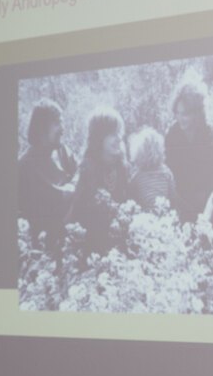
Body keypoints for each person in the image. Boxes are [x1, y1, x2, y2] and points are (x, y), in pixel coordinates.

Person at [66, 106, 129, 257]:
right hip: (91, 247)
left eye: (119, 132)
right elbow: (75, 211)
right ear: (99, 136)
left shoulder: (122, 166)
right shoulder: (87, 168)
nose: (119, 138)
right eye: (113, 134)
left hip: (119, 243)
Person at [17, 98, 77, 247]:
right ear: (42, 128)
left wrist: (73, 187)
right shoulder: (25, 166)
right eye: (57, 123)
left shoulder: (63, 152)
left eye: (62, 122)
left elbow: (81, 173)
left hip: (74, 235)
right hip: (44, 247)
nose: (62, 129)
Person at [164, 76, 213, 221]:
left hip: (207, 202)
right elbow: (169, 172)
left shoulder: (209, 134)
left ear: (197, 113)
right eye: (177, 113)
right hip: (179, 200)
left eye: (185, 114)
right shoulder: (172, 134)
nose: (180, 119)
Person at [127, 126, 178, 210]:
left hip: (143, 215)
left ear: (137, 151)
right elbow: (173, 195)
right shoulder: (166, 172)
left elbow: (131, 195)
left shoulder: (137, 175)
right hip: (164, 213)